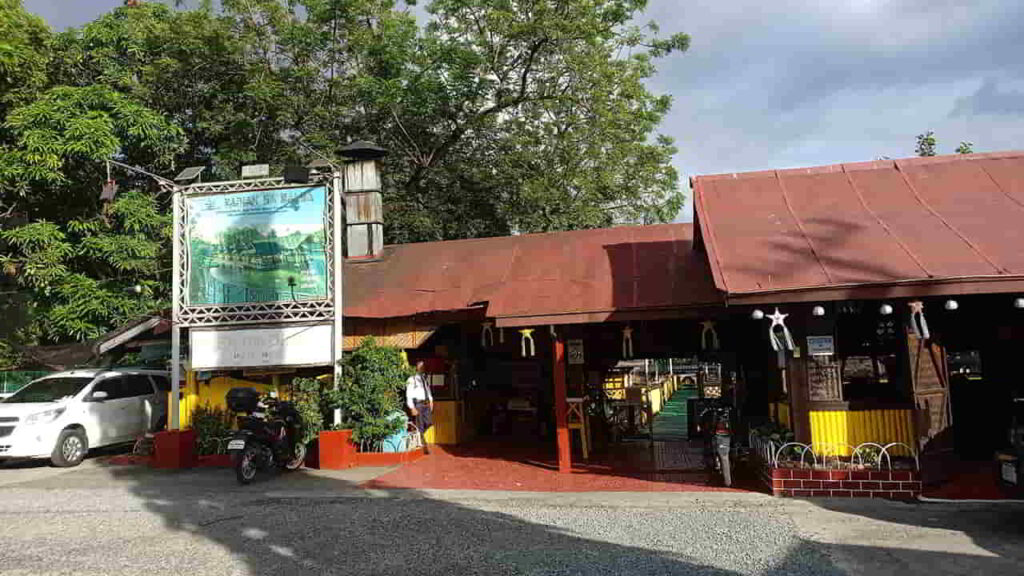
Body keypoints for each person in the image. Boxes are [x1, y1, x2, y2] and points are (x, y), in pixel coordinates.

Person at [406, 360, 434, 454]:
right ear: (416, 368)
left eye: (423, 366)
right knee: (420, 426)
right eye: (420, 366)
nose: (422, 368)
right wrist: (412, 407)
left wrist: (431, 400)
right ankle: (424, 447)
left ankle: (416, 434)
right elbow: (408, 394)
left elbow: (428, 390)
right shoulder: (412, 379)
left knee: (429, 422)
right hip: (418, 404)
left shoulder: (424, 379)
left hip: (426, 404)